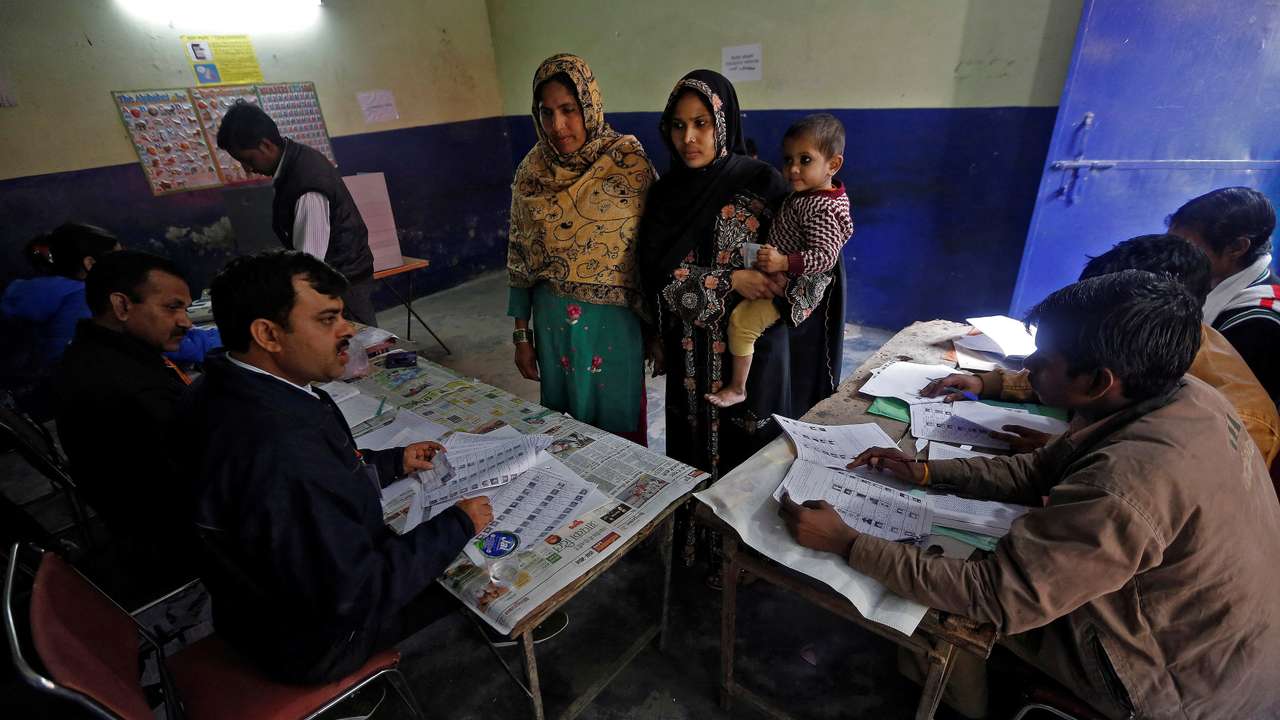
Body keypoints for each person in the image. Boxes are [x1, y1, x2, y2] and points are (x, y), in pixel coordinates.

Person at [783, 270, 1280, 719]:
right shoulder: (1187, 395)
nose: (1030, 366)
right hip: (1216, 640)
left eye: (1046, 359)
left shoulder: (1127, 484)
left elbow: (995, 596)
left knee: (938, 597)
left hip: (1168, 683)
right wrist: (929, 472)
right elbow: (1045, 468)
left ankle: (961, 707)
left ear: (1098, 382)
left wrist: (848, 543)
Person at [182, 250, 492, 683]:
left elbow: (320, 483)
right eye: (327, 320)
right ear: (268, 334)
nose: (349, 330)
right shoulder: (279, 451)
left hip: (254, 609)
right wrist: (457, 525)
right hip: (318, 643)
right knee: (486, 574)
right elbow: (357, 594)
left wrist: (390, 463)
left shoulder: (222, 387)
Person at [638, 70, 845, 577]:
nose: (690, 139)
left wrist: (779, 284)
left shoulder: (763, 181)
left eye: (703, 124)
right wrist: (732, 280)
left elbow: (818, 258)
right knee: (692, 451)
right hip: (691, 354)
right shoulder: (666, 197)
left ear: (724, 122)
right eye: (679, 125)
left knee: (752, 451)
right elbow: (659, 277)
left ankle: (752, 563)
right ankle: (695, 555)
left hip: (757, 352)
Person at [923, 234, 1280, 467]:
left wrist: (1070, 452)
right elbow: (1075, 368)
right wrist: (991, 384)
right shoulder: (1140, 349)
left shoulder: (1239, 422)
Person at [507, 54, 656, 445]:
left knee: (621, 433)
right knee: (566, 435)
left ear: (589, 105)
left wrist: (661, 330)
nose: (558, 126)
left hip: (616, 328)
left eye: (569, 110)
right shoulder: (530, 172)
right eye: (547, 112)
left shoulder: (627, 163)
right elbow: (519, 258)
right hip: (554, 324)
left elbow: (656, 253)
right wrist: (522, 337)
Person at [53, 250, 202, 605]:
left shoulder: (94, 353)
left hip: (134, 522)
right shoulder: (130, 386)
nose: (186, 322)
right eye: (172, 308)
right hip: (176, 537)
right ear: (121, 306)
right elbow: (200, 474)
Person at [707, 113, 853, 408]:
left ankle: (737, 388)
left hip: (788, 288)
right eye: (788, 160)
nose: (793, 169)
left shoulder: (821, 208)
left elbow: (824, 257)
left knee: (742, 322)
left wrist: (783, 263)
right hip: (781, 273)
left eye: (805, 160)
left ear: (833, 165)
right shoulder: (811, 195)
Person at [216, 101, 379, 327]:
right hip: (339, 274)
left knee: (357, 346)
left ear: (265, 145)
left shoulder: (307, 184)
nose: (248, 169)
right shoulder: (296, 160)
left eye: (248, 160)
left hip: (341, 282)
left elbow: (309, 262)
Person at [1, 223, 220, 370]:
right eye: (118, 257)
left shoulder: (34, 293)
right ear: (90, 264)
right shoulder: (84, 297)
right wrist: (224, 336)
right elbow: (159, 345)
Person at [1167, 186, 1280, 403]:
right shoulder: (1213, 280)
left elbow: (1225, 408)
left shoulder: (1259, 324)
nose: (1175, 257)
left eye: (1186, 248)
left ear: (1237, 248)